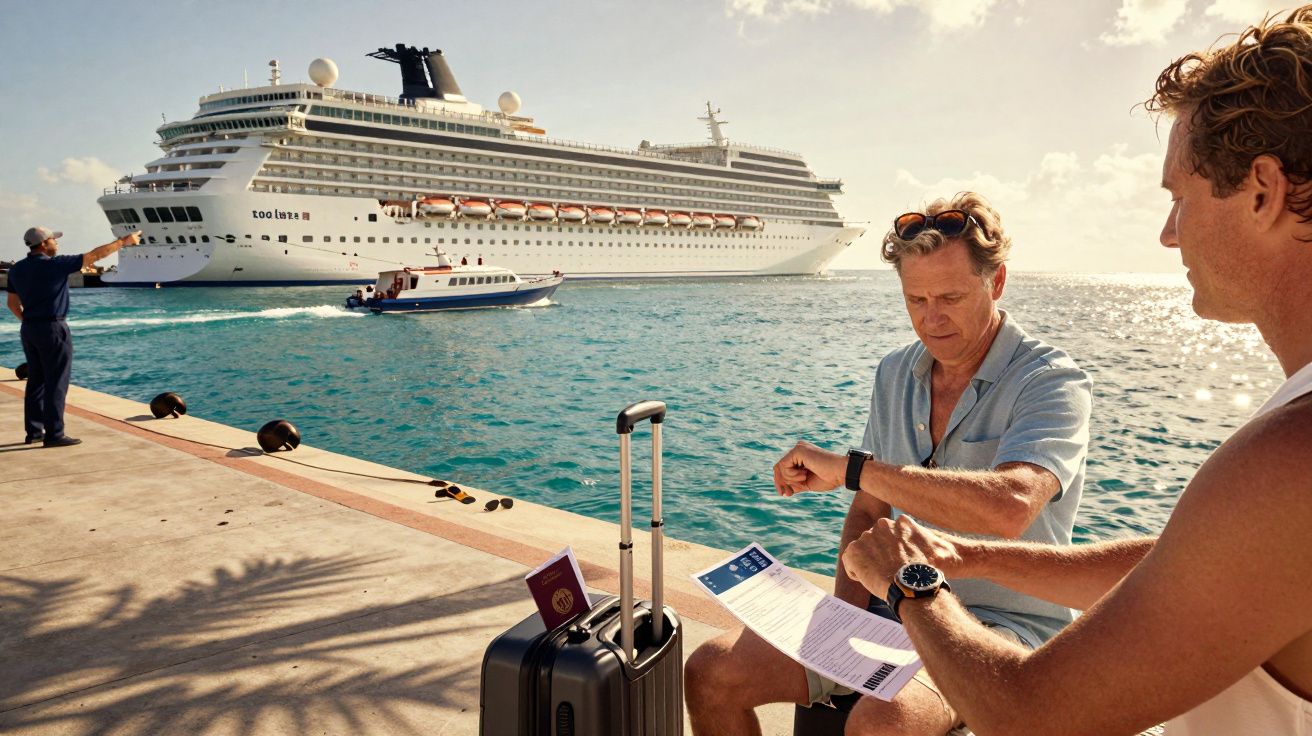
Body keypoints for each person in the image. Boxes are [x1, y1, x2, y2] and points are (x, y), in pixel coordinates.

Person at [839, 8, 1312, 735]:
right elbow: (1188, 563)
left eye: (1178, 198)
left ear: (1262, 189)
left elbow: (1029, 715)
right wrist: (963, 555)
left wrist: (913, 581)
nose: (1167, 231)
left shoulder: (1289, 458)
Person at [685, 192, 1093, 736]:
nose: (931, 318)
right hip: (892, 610)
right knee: (711, 671)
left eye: (950, 296)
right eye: (915, 299)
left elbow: (1010, 506)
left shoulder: (1051, 381)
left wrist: (852, 468)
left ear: (995, 283)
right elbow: (870, 509)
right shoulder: (896, 371)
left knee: (884, 723)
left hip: (1000, 629)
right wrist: (844, 618)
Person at [7, 226, 141, 447]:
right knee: (56, 382)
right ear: (43, 244)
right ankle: (54, 434)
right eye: (53, 240)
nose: (56, 244)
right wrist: (123, 242)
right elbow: (95, 255)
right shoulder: (56, 265)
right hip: (53, 326)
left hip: (29, 328)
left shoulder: (17, 270)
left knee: (36, 381)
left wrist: (29, 323)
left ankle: (34, 432)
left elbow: (12, 304)